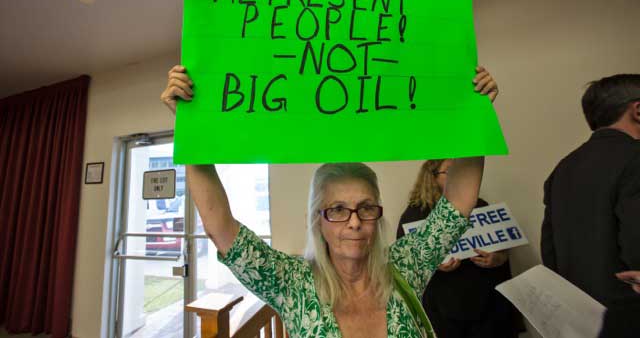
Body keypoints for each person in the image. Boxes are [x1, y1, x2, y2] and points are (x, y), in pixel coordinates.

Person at [161, 65, 498, 338]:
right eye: (337, 209)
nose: (354, 221)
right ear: (318, 219)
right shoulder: (290, 282)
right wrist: (191, 128)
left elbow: (457, 202)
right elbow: (221, 226)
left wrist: (476, 114)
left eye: (366, 207)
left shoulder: (406, 265)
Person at [541, 74, 640, 338]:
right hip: (630, 314)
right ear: (638, 110)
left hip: (579, 318)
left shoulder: (563, 168)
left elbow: (549, 249)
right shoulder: (636, 158)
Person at [397, 159, 524, 338]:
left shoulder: (480, 206)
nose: (457, 177)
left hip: (488, 311)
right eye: (449, 172)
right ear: (431, 178)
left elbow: (502, 251)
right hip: (444, 313)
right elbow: (404, 266)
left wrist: (498, 259)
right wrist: (433, 264)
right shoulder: (415, 215)